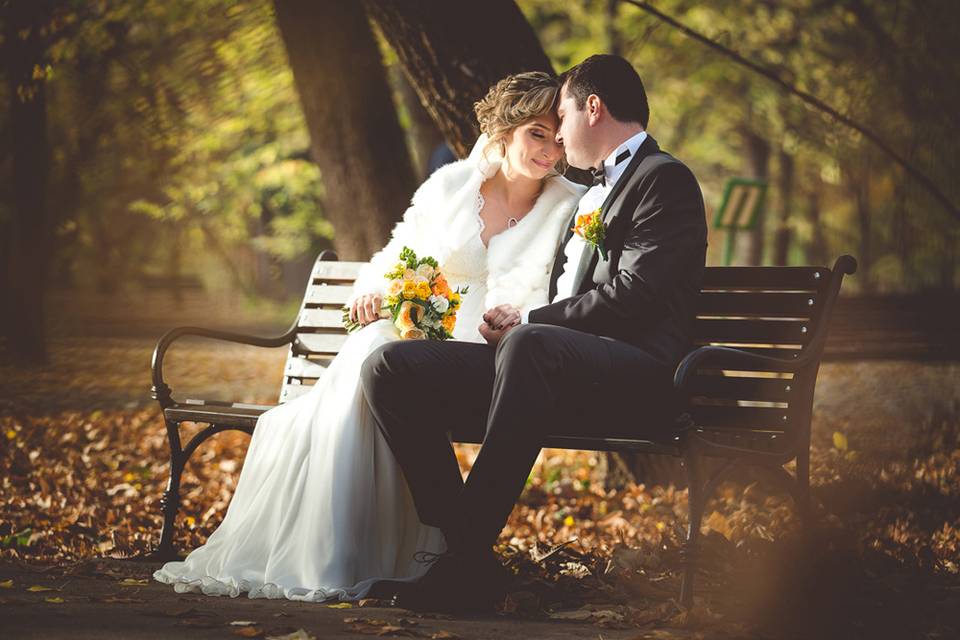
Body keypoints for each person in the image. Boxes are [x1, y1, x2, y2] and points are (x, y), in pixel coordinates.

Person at [152, 71, 585, 602]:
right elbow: (400, 251)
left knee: (384, 362)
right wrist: (375, 291)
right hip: (427, 331)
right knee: (373, 346)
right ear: (505, 132)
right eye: (536, 134)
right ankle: (355, 551)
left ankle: (442, 553)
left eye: (556, 136)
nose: (549, 149)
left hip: (494, 354)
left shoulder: (571, 205)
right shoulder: (451, 186)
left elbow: (560, 289)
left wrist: (517, 320)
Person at [362, 54, 709, 613]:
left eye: (564, 113)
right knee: (392, 368)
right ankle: (471, 561)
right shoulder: (588, 191)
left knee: (528, 342)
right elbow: (562, 292)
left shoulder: (662, 179)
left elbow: (637, 296)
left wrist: (532, 324)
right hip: (554, 365)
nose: (559, 132)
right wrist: (515, 317)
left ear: (592, 108)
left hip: (638, 373)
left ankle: (460, 563)